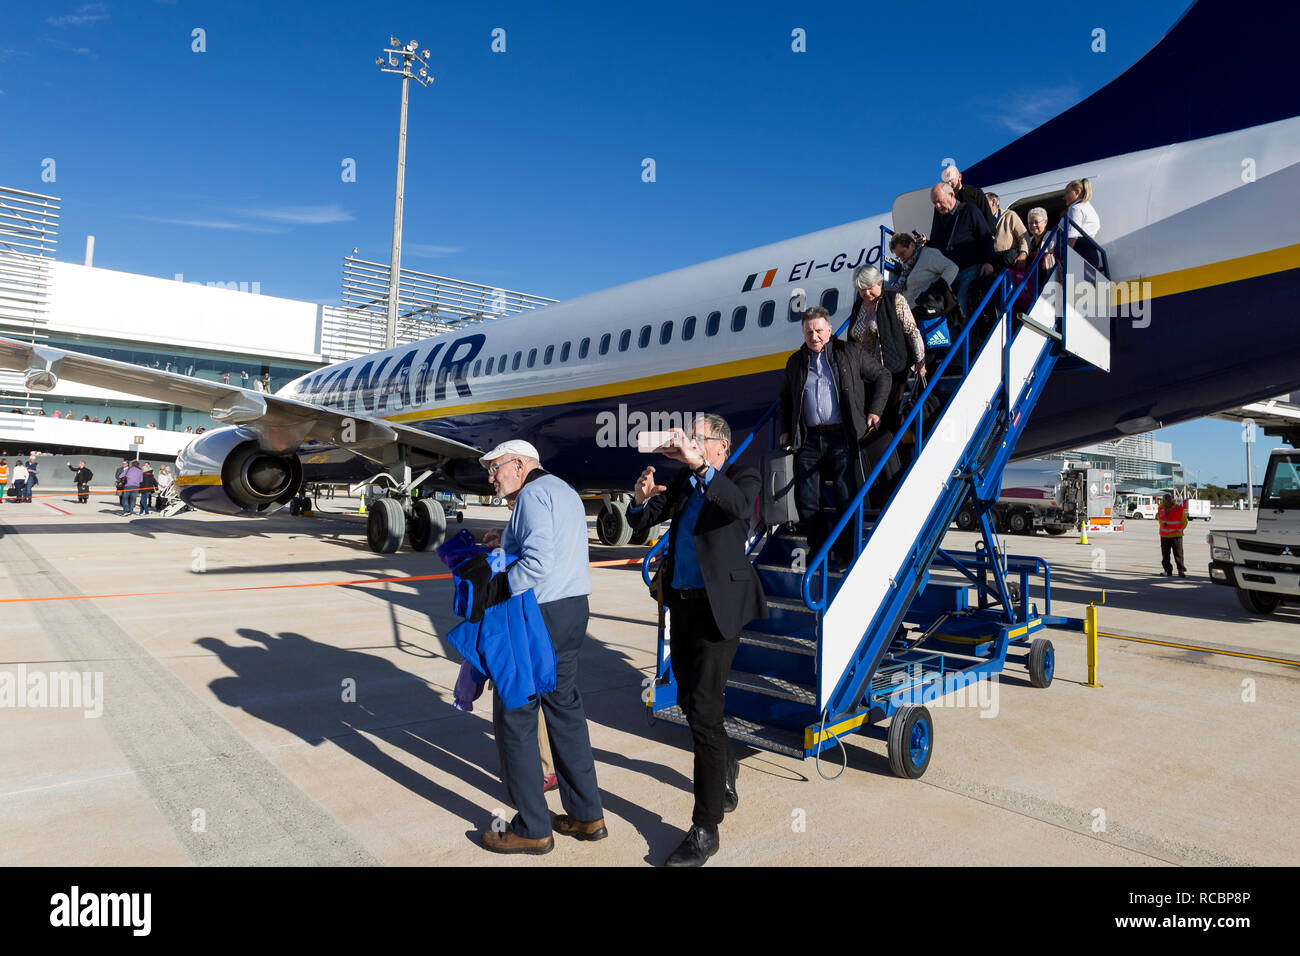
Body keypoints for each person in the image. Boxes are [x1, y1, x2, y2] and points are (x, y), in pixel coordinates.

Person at [628, 415, 767, 866]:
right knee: (690, 704)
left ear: (719, 445)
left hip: (719, 609)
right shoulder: (687, 481)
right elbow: (645, 521)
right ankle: (725, 763)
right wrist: (639, 500)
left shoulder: (741, 474)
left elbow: (741, 508)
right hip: (683, 606)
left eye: (697, 438)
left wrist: (702, 469)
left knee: (704, 712)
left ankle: (705, 827)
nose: (688, 443)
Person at [474, 439, 604, 855]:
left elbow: (538, 563)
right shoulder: (562, 490)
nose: (491, 477)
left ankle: (532, 826)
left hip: (539, 615)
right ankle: (587, 814)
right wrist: (506, 542)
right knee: (564, 711)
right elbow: (552, 548)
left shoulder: (530, 495)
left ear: (518, 464)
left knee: (516, 715)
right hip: (572, 610)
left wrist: (497, 586)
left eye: (495, 468)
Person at [779, 307, 892, 565]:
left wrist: (875, 410)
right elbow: (785, 398)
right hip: (808, 439)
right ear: (803, 333)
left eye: (819, 330)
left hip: (842, 438)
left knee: (845, 496)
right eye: (809, 331)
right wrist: (786, 429)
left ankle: (844, 553)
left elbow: (882, 376)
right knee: (807, 501)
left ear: (829, 330)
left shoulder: (848, 352)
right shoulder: (796, 361)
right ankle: (819, 551)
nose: (814, 336)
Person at [848, 266, 927, 425]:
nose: (866, 293)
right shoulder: (859, 306)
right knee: (868, 415)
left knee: (887, 415)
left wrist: (920, 360)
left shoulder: (895, 300)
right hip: (867, 371)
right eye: (862, 290)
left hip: (893, 368)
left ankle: (893, 448)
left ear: (879, 283)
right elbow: (853, 337)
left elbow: (911, 330)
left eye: (869, 288)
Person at [927, 182, 995, 320]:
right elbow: (935, 244)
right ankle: (958, 340)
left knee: (962, 305)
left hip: (970, 269)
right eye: (934, 203)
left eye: (939, 201)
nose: (937, 206)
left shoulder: (970, 210)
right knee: (949, 312)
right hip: (948, 274)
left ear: (951, 194)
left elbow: (985, 237)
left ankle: (967, 340)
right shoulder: (939, 220)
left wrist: (989, 262)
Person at [887, 232, 958, 311]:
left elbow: (952, 268)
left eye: (902, 253)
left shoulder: (928, 254)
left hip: (932, 312)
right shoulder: (906, 268)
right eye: (898, 257)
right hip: (915, 314)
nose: (901, 259)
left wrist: (934, 292)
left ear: (912, 245)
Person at [939, 164, 996, 230]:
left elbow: (988, 219)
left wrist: (990, 236)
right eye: (945, 182)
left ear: (959, 177)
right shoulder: (942, 201)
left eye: (951, 180)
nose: (949, 184)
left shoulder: (976, 193)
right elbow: (939, 227)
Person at [1063, 178, 1102, 267]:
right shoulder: (1090, 209)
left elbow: (1072, 236)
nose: (1064, 197)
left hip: (1079, 252)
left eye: (1067, 193)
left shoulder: (1075, 209)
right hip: (1091, 254)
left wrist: (1066, 258)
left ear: (1077, 192)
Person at [987, 192, 1028, 264]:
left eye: (984, 202)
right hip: (992, 263)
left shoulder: (1009, 215)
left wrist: (1023, 254)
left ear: (993, 202)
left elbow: (1024, 237)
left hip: (1008, 261)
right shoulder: (983, 221)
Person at [1157, 492, 1188, 578]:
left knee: (1178, 554)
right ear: (1163, 501)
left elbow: (1184, 522)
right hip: (1164, 536)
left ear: (1171, 500)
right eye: (1165, 500)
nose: (1167, 502)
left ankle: (1181, 571)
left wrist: (1179, 530)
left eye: (1168, 500)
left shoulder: (1179, 509)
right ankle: (1168, 570)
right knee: (1165, 555)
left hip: (1176, 536)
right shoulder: (1160, 508)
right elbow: (1160, 520)